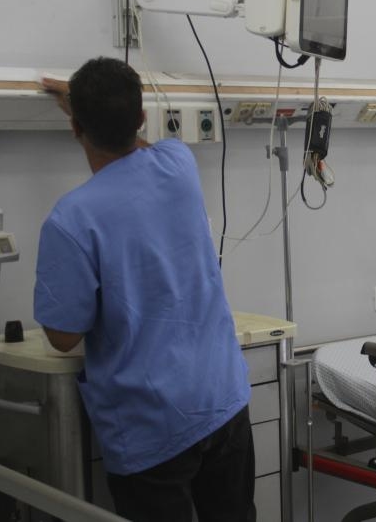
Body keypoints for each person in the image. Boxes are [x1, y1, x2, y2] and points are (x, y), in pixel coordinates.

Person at [33, 57, 256, 521]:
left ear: (75, 128)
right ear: (140, 118)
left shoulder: (72, 219)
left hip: (152, 428)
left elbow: (62, 337)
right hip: (221, 401)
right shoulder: (179, 164)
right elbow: (139, 149)